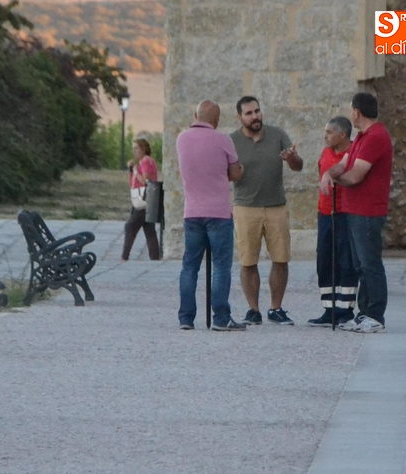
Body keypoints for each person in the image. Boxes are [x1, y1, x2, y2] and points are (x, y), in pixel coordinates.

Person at [320, 92, 392, 333]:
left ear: (357, 112)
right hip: (354, 210)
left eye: (352, 109)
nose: (351, 113)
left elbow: (355, 176)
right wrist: (329, 173)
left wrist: (334, 181)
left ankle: (376, 315)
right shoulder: (362, 137)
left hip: (367, 212)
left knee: (370, 264)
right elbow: (344, 164)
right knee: (360, 265)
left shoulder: (376, 137)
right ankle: (364, 314)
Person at [230, 96, 303, 326]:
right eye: (249, 113)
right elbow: (225, 173)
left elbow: (298, 166)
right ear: (239, 117)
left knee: (281, 259)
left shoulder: (277, 135)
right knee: (247, 261)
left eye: (257, 111)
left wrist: (292, 159)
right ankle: (253, 310)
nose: (255, 116)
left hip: (276, 207)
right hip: (245, 208)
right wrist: (234, 174)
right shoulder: (232, 141)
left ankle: (276, 308)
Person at [176, 100, 245, 331]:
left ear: (196, 115)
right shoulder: (223, 140)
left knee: (189, 266)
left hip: (192, 212)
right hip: (219, 213)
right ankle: (221, 318)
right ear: (216, 119)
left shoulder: (182, 139)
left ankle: (186, 318)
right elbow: (234, 173)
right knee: (221, 266)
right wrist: (239, 170)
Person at [308, 116, 357, 327]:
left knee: (346, 261)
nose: (325, 136)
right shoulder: (326, 152)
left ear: (343, 135)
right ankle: (329, 309)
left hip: (345, 213)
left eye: (329, 132)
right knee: (324, 260)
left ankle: (345, 310)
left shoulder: (354, 153)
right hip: (325, 213)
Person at [121, 138, 161, 261]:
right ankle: (154, 257)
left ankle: (124, 256)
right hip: (141, 198)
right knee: (149, 229)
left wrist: (135, 171)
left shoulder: (146, 161)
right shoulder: (141, 163)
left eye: (136, 148)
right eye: (133, 149)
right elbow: (132, 183)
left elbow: (146, 181)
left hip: (144, 198)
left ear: (144, 149)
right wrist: (132, 171)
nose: (134, 151)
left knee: (130, 226)